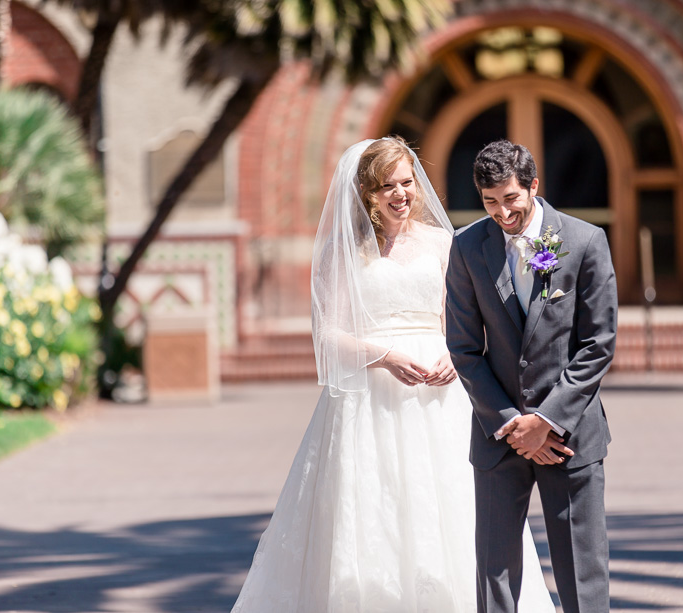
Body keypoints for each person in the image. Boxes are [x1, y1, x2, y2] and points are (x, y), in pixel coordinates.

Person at [230, 137, 555, 612]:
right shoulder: (347, 251)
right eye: (389, 186)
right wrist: (384, 356)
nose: (402, 194)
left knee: (452, 507)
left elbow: (468, 319)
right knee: (371, 512)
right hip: (369, 398)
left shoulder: (445, 243)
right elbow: (328, 335)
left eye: (407, 183)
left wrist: (456, 353)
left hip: (440, 393)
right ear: (367, 192)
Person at [445, 139, 618, 613]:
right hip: (500, 436)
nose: (502, 212)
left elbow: (597, 344)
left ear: (533, 187)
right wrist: (511, 423)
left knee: (582, 572)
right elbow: (463, 348)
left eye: (510, 199)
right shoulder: (466, 248)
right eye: (489, 202)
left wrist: (545, 421)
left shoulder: (584, 242)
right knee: (494, 573)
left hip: (570, 435)